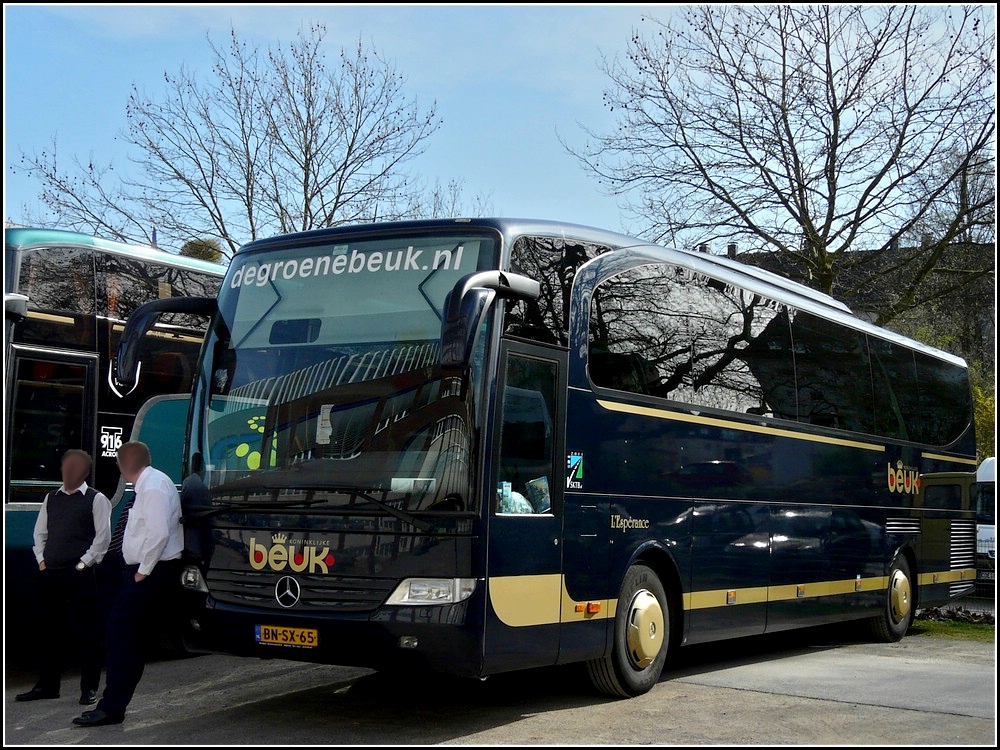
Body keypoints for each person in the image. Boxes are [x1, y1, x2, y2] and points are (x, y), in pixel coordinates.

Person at [72, 441, 183, 728]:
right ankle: (112, 705)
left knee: (121, 637)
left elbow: (158, 534)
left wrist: (143, 571)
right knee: (124, 638)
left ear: (126, 464)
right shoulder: (148, 485)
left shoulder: (154, 487)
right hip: (141, 571)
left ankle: (112, 708)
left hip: (150, 572)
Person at [15, 449, 111, 706]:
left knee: (86, 633)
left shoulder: (96, 499)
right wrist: (42, 561)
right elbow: (39, 534)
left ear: (86, 472)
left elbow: (103, 540)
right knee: (49, 631)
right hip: (51, 575)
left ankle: (89, 689)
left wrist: (82, 564)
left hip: (80, 576)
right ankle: (48, 685)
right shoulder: (51, 498)